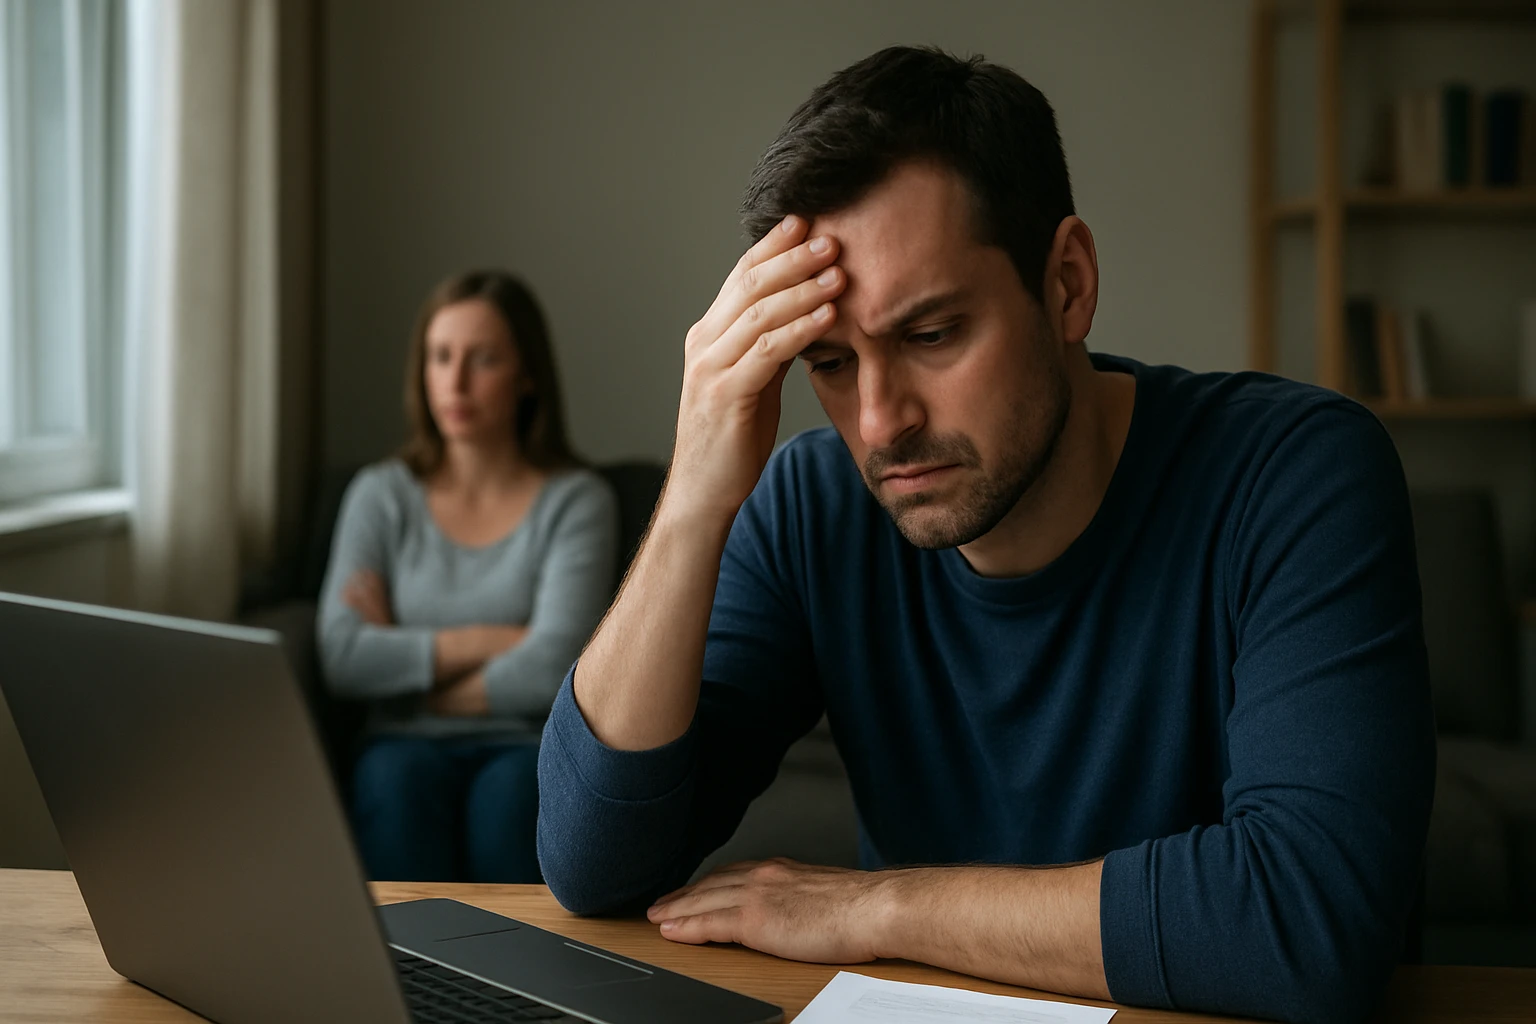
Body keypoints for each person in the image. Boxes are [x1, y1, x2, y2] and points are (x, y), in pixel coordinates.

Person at [535, 46, 1435, 1024]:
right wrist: (695, 497)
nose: (880, 422)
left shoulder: (1294, 473)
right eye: (830, 360)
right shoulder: (814, 507)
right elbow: (593, 864)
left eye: (930, 335)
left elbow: (1306, 922)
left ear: (1067, 285)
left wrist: (878, 905)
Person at [318, 270, 617, 884]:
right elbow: (343, 655)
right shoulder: (381, 495)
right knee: (392, 782)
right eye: (440, 357)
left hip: (526, 745)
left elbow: (558, 662)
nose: (454, 382)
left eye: (482, 360)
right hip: (398, 750)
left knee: (508, 799)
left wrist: (411, 675)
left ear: (527, 374)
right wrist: (493, 638)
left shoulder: (577, 501)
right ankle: (400, 982)